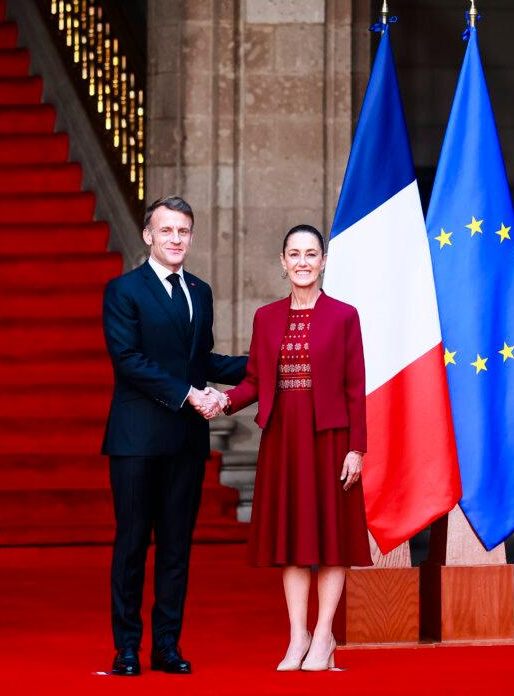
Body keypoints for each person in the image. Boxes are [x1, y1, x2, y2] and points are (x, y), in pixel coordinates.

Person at [101, 195, 247, 676]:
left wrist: (263, 363)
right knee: (132, 545)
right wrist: (190, 394)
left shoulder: (200, 292)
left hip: (186, 441)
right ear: (148, 235)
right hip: (137, 440)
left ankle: (167, 645)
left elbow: (200, 361)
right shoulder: (123, 291)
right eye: (166, 231)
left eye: (183, 231)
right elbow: (129, 361)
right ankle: (127, 647)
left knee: (177, 548)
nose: (176, 239)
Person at [216, 224, 371, 672]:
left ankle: (324, 636)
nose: (303, 262)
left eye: (311, 254)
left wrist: (356, 448)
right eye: (294, 254)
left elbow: (355, 387)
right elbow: (255, 382)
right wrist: (222, 401)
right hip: (284, 439)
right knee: (293, 540)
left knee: (331, 541)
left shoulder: (345, 316)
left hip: (331, 439)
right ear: (283, 263)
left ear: (323, 261)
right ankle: (296, 635)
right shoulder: (266, 317)